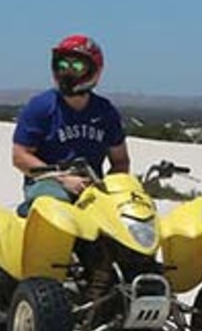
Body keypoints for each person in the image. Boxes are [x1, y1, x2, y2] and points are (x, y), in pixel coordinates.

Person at [11, 34, 130, 214]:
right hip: (47, 183)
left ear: (93, 70)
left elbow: (120, 161)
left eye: (76, 66)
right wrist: (61, 178)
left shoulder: (105, 112)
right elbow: (20, 156)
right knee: (56, 207)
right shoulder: (41, 106)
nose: (67, 72)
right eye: (62, 66)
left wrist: (105, 187)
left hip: (91, 187)